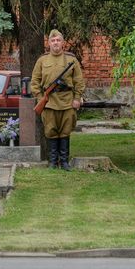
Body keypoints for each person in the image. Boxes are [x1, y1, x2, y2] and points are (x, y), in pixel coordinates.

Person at [31, 29, 86, 170]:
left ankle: (65, 162)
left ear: (63, 43)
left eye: (58, 40)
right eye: (53, 40)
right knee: (50, 131)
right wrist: (40, 98)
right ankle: (52, 162)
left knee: (65, 131)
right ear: (48, 43)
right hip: (49, 103)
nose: (55, 43)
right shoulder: (42, 60)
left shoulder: (71, 60)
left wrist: (77, 98)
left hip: (67, 101)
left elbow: (79, 81)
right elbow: (35, 82)